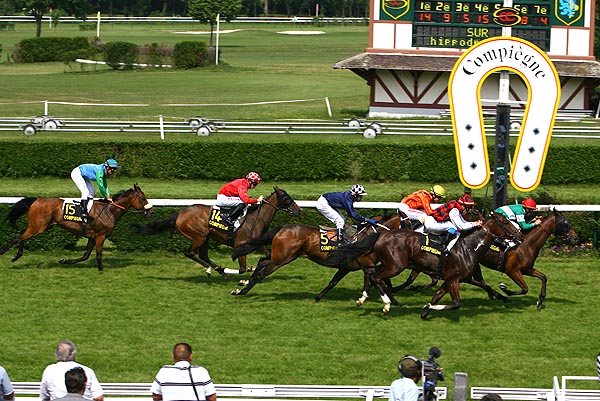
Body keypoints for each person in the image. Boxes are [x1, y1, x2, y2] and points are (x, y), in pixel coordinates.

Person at [40, 340, 104, 401]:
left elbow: (45, 397)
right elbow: (99, 397)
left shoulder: (49, 370)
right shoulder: (86, 370)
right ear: (73, 354)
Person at [151, 343, 217, 401]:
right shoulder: (201, 371)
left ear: (173, 357)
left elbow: (156, 396)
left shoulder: (164, 371)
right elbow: (212, 398)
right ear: (191, 357)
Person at [70, 159, 120, 223]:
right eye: (113, 168)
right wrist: (106, 196)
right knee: (85, 192)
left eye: (115, 169)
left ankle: (88, 208)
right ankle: (83, 212)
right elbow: (100, 185)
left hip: (83, 175)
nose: (114, 171)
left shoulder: (104, 172)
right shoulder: (100, 171)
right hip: (76, 173)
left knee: (92, 190)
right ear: (107, 167)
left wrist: (108, 195)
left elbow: (105, 185)